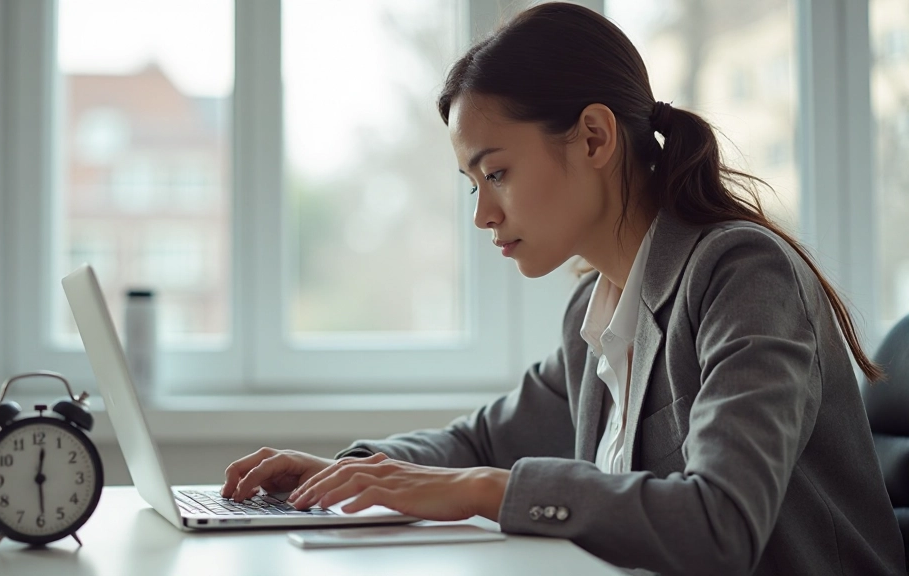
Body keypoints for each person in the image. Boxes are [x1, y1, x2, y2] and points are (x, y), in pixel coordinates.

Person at [220, 3, 906, 575]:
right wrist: (353, 471)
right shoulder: (598, 307)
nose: (483, 215)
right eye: (472, 184)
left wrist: (488, 492)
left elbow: (720, 525)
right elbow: (482, 442)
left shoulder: (740, 274)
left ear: (594, 137)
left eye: (495, 174)